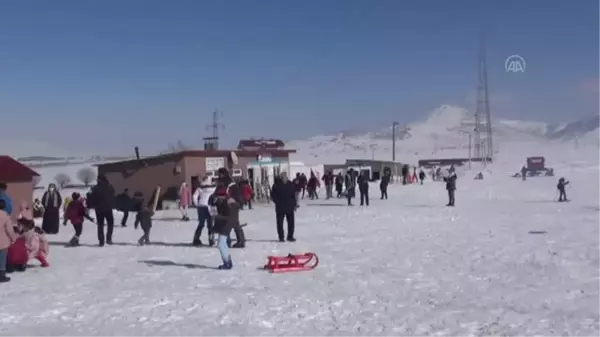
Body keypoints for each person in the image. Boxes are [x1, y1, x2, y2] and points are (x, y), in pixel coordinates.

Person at [209, 177, 241, 269]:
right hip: (227, 222)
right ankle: (227, 261)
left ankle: (227, 262)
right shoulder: (226, 200)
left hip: (227, 223)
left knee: (221, 243)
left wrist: (218, 218)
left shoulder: (226, 202)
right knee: (222, 243)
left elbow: (225, 215)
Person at [216, 168, 245, 248]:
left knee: (233, 223)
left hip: (231, 206)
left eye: (220, 174)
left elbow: (236, 194)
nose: (219, 175)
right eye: (219, 174)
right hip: (223, 206)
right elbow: (217, 193)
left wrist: (236, 202)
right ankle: (227, 241)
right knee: (226, 223)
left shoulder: (230, 183)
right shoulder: (221, 182)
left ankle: (240, 241)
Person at [88, 175, 116, 246]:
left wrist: (91, 202)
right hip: (108, 208)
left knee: (100, 225)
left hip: (99, 209)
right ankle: (109, 239)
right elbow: (113, 195)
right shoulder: (109, 187)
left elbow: (92, 198)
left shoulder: (95, 188)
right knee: (110, 224)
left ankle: (101, 241)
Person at [270, 172, 297, 242]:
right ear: (281, 178)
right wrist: (277, 202)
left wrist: (294, 204)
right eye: (283, 177)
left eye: (285, 177)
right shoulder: (276, 185)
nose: (284, 178)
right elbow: (272, 195)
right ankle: (281, 237)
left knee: (291, 223)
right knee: (280, 223)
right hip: (280, 208)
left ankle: (290, 236)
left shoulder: (290, 184)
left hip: (290, 207)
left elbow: (293, 195)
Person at [192, 177, 216, 246]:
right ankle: (211, 240)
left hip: (201, 206)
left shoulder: (200, 188)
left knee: (201, 224)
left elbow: (194, 196)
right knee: (210, 224)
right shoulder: (213, 188)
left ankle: (196, 239)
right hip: (210, 206)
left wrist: (197, 204)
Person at [0, 199, 18, 282]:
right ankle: (1, 276)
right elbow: (9, 230)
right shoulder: (5, 216)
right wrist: (13, 238)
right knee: (2, 259)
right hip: (2, 241)